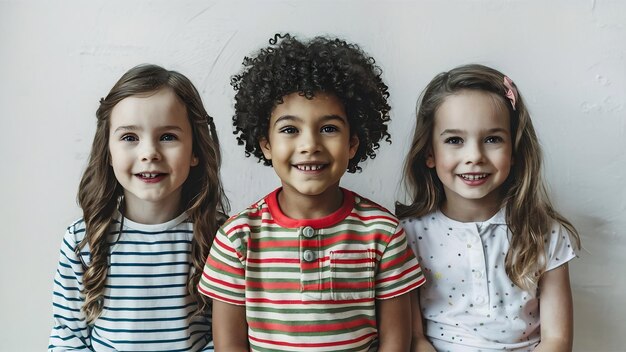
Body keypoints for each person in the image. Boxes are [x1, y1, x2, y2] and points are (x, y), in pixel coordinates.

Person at [198, 33, 425, 351]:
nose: (310, 146)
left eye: (329, 128)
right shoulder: (237, 237)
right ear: (266, 144)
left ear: (352, 144)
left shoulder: (383, 233)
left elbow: (395, 342)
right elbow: (229, 345)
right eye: (290, 129)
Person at [396, 64, 582, 351]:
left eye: (492, 139)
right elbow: (414, 338)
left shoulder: (544, 232)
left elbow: (557, 339)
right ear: (429, 153)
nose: (474, 156)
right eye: (455, 140)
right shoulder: (404, 236)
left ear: (515, 150)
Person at [48, 64, 229, 351]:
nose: (149, 153)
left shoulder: (220, 237)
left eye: (168, 136)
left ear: (195, 151)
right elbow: (68, 337)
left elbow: (223, 338)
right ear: (108, 152)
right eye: (130, 138)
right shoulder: (82, 240)